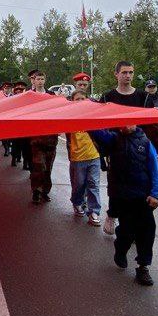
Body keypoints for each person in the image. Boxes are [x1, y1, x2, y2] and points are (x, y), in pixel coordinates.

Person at [89, 124, 158, 286]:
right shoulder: (114, 139)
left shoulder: (145, 142)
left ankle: (143, 266)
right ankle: (121, 249)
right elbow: (97, 132)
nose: (127, 125)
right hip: (123, 196)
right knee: (127, 230)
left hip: (143, 197)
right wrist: (83, 118)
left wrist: (154, 193)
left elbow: (154, 169)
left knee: (147, 230)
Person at [66, 89, 103, 225]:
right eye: (77, 99)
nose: (81, 101)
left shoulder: (92, 115)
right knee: (79, 185)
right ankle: (77, 202)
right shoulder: (68, 117)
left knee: (93, 184)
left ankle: (94, 211)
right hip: (77, 158)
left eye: (83, 99)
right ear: (72, 101)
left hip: (93, 155)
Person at [26, 69, 59, 204]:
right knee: (38, 166)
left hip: (51, 138)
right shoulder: (30, 95)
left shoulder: (51, 95)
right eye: (37, 79)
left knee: (48, 168)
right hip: (36, 138)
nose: (40, 81)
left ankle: (45, 191)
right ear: (34, 80)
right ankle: (36, 191)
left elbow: (58, 112)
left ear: (45, 80)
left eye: (42, 79)